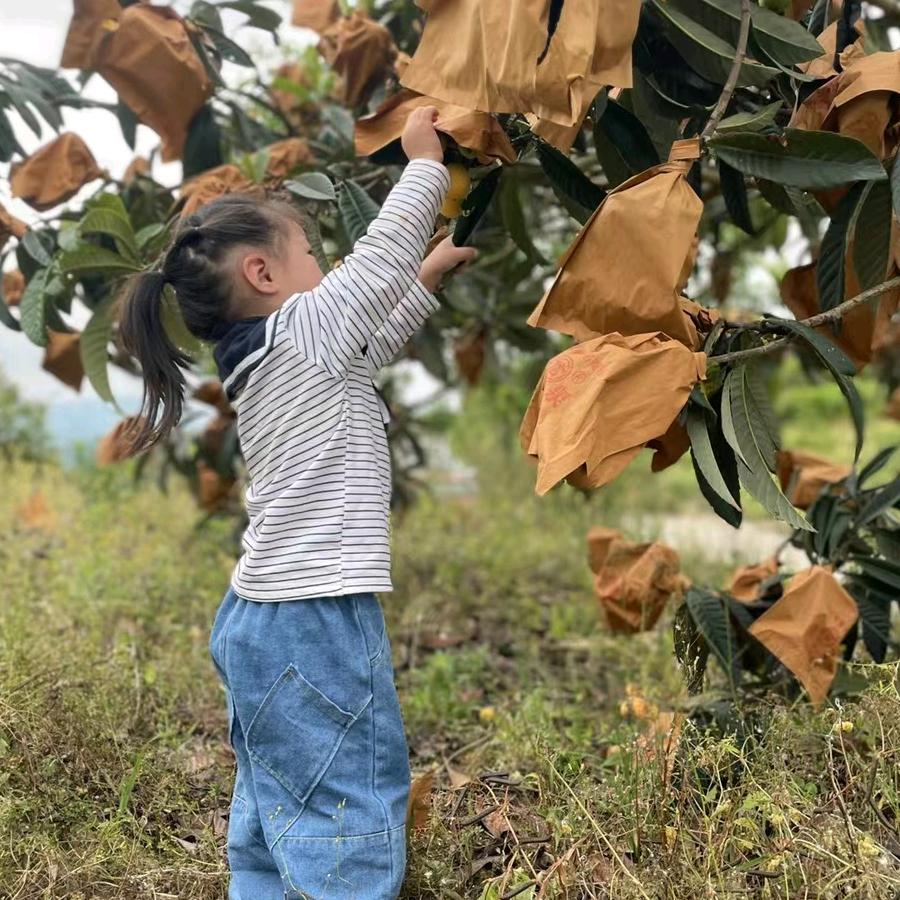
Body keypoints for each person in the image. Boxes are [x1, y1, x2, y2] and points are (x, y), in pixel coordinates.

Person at [117, 106, 477, 899]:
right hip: (314, 617)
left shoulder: (273, 361)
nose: (324, 264)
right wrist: (425, 167)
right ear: (263, 274)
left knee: (279, 795)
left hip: (258, 618)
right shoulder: (304, 330)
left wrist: (426, 279)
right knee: (345, 798)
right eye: (311, 252)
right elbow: (375, 262)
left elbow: (368, 347)